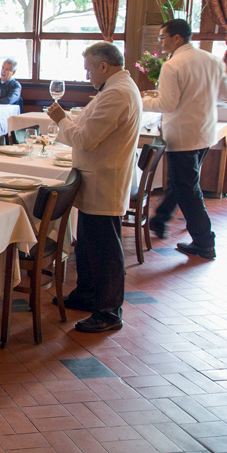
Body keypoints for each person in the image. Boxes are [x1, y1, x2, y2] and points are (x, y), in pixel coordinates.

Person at [47, 41, 141, 333]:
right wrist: (69, 121)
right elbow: (91, 127)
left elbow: (87, 139)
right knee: (88, 243)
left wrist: (62, 119)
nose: (87, 74)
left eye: (89, 68)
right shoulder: (113, 89)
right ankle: (87, 294)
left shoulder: (118, 93)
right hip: (96, 176)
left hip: (106, 180)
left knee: (105, 249)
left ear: (104, 65)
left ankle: (109, 311)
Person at [142, 19, 227, 260]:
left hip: (182, 135)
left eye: (163, 38)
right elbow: (225, 94)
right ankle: (160, 219)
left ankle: (204, 242)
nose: (160, 43)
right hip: (205, 133)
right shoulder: (212, 60)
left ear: (177, 38)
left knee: (188, 189)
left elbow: (167, 104)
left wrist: (140, 102)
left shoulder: (173, 65)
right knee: (183, 183)